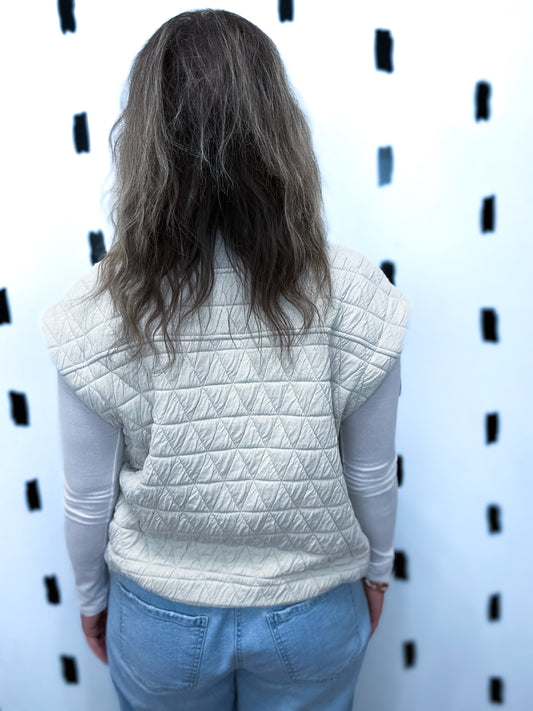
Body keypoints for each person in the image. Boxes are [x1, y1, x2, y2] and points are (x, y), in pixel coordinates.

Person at [41, 9, 410, 711]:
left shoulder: (98, 305)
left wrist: (90, 597)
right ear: (280, 129)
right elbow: (369, 472)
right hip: (312, 608)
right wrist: (378, 570)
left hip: (159, 616)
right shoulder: (354, 290)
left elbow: (87, 498)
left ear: (143, 139)